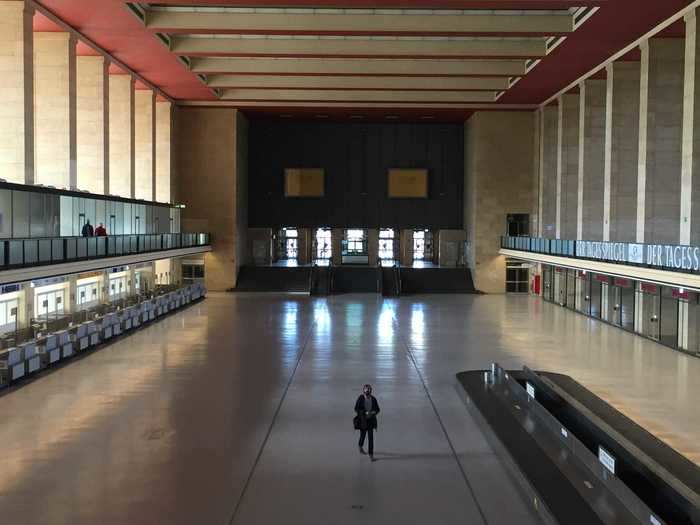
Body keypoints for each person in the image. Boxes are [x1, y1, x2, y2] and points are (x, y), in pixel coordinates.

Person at [355, 384, 380, 461]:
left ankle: (371, 455)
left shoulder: (373, 399)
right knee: (363, 435)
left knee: (371, 438)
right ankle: (360, 445)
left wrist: (373, 412)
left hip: (371, 421)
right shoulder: (360, 398)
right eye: (366, 391)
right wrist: (364, 413)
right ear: (363, 391)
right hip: (363, 421)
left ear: (370, 392)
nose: (367, 394)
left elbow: (378, 409)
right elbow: (356, 409)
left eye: (368, 391)